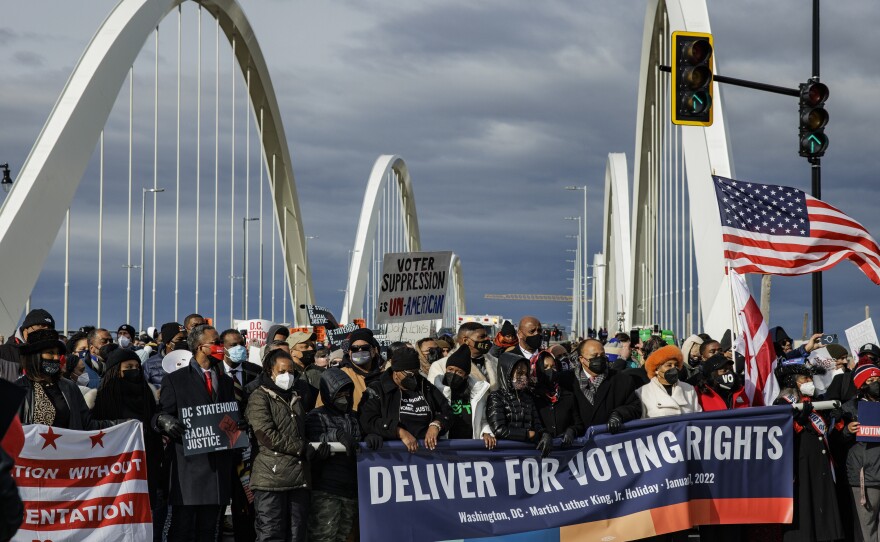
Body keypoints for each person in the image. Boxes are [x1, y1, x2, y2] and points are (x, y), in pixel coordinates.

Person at [154, 324, 235, 542]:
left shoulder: (226, 381)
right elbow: (160, 413)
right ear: (201, 347)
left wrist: (238, 425)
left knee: (209, 530)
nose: (221, 346)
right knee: (182, 527)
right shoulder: (176, 379)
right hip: (187, 467)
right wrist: (165, 421)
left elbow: (229, 414)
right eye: (216, 342)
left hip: (217, 465)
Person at [247, 349, 321, 542]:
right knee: (271, 534)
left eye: (290, 371)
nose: (287, 376)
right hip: (270, 479)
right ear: (270, 371)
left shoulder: (296, 396)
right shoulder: (259, 397)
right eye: (281, 371)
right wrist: (301, 447)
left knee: (297, 534)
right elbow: (266, 435)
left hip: (298, 477)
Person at [91, 348, 165, 539]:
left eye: (136, 367)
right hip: (116, 467)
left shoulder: (147, 393)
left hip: (147, 463)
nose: (134, 370)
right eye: (128, 367)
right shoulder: (100, 396)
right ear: (116, 370)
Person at [774, 363, 844, 542]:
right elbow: (779, 433)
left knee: (822, 505)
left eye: (810, 378)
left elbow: (825, 431)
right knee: (804, 506)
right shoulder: (782, 402)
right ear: (792, 382)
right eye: (804, 378)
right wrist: (799, 420)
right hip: (800, 463)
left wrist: (835, 418)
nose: (809, 381)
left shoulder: (817, 400)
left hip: (819, 461)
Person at [15, 329, 116, 430]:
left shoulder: (69, 387)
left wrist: (119, 425)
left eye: (58, 353)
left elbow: (87, 424)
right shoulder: (18, 389)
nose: (56, 358)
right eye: (50, 353)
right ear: (35, 357)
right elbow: (11, 430)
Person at [305, 368, 361, 542]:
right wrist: (335, 435)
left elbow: (362, 438)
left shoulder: (355, 417)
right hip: (326, 489)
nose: (344, 397)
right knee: (323, 536)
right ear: (328, 394)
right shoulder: (317, 416)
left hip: (351, 488)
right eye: (338, 393)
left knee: (343, 536)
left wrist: (372, 437)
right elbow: (314, 439)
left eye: (347, 391)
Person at [359, 347, 451, 453]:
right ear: (396, 371)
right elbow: (367, 420)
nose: (414, 377)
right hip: (393, 455)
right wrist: (398, 431)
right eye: (409, 374)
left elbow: (446, 410)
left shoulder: (425, 385)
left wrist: (436, 424)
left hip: (427, 453)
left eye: (416, 373)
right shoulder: (378, 389)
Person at [220, 328, 260, 542]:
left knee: (245, 499)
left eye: (241, 344)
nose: (239, 348)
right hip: (221, 443)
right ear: (223, 347)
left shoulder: (255, 372)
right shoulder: (215, 371)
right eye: (233, 345)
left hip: (248, 445)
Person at [834, 363, 880, 542]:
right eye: (871, 380)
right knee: (865, 527)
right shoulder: (849, 408)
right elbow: (834, 439)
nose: (876, 383)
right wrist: (846, 430)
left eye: (878, 379)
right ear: (862, 384)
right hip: (865, 476)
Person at [562, 338, 641, 434]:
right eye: (594, 356)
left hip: (610, 442)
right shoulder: (566, 381)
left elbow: (635, 406)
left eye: (602, 355)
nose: (599, 358)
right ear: (582, 359)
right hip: (577, 444)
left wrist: (620, 414)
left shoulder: (622, 379)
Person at [487, 352, 552, 457]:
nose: (523, 377)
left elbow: (537, 425)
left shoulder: (528, 397)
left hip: (528, 453)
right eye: (519, 373)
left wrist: (545, 434)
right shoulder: (496, 397)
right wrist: (528, 434)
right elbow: (499, 429)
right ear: (508, 373)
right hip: (504, 453)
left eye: (526, 374)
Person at [433, 346, 495, 448]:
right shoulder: (436, 390)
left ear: (466, 375)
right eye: (450, 369)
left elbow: (483, 419)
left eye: (459, 372)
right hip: (445, 447)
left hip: (469, 447)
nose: (453, 374)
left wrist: (486, 432)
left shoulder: (478, 393)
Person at [319, 328, 382, 412]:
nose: (360, 351)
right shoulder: (337, 377)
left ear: (373, 351)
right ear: (349, 352)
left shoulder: (385, 377)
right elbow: (321, 410)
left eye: (365, 348)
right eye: (354, 349)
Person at [531, 349, 583, 447]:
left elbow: (579, 424)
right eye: (545, 367)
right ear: (537, 370)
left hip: (564, 453)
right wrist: (543, 433)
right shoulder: (532, 397)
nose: (551, 370)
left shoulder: (568, 396)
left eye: (553, 366)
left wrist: (572, 430)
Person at [428, 322, 499, 391]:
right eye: (482, 337)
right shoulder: (440, 365)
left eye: (486, 336)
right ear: (465, 340)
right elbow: (436, 394)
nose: (487, 339)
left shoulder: (496, 362)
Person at [636, 345, 701, 418]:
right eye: (669, 365)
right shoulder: (643, 392)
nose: (674, 368)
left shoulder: (689, 389)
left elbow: (697, 418)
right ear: (657, 370)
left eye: (676, 365)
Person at [0, 308, 56, 380]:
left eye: (49, 332)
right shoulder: (3, 353)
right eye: (40, 330)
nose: (45, 336)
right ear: (26, 330)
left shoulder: (52, 356)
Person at [143, 322, 185, 388]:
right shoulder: (149, 364)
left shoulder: (192, 360)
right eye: (179, 339)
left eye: (186, 339)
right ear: (167, 343)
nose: (184, 342)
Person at [63, 332, 97, 408]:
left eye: (89, 348)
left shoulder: (98, 370)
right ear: (73, 353)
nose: (87, 352)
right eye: (83, 349)